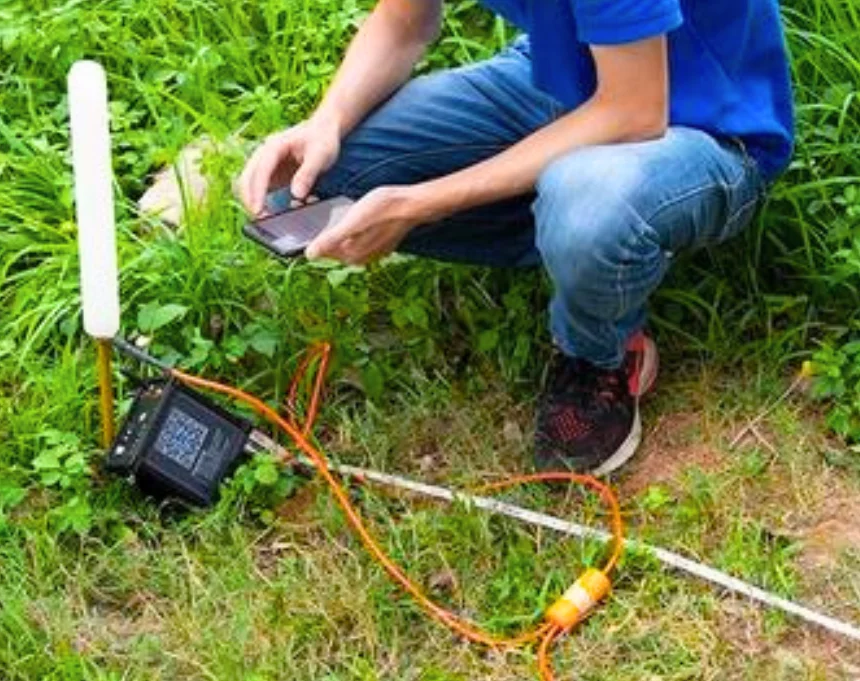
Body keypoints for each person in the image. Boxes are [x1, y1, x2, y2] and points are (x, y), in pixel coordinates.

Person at [237, 0, 794, 475]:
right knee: (318, 186)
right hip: (562, 82)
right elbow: (404, 21)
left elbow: (633, 110)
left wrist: (420, 203)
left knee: (587, 205)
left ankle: (599, 349)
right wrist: (325, 122)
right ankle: (570, 234)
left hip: (700, 124)